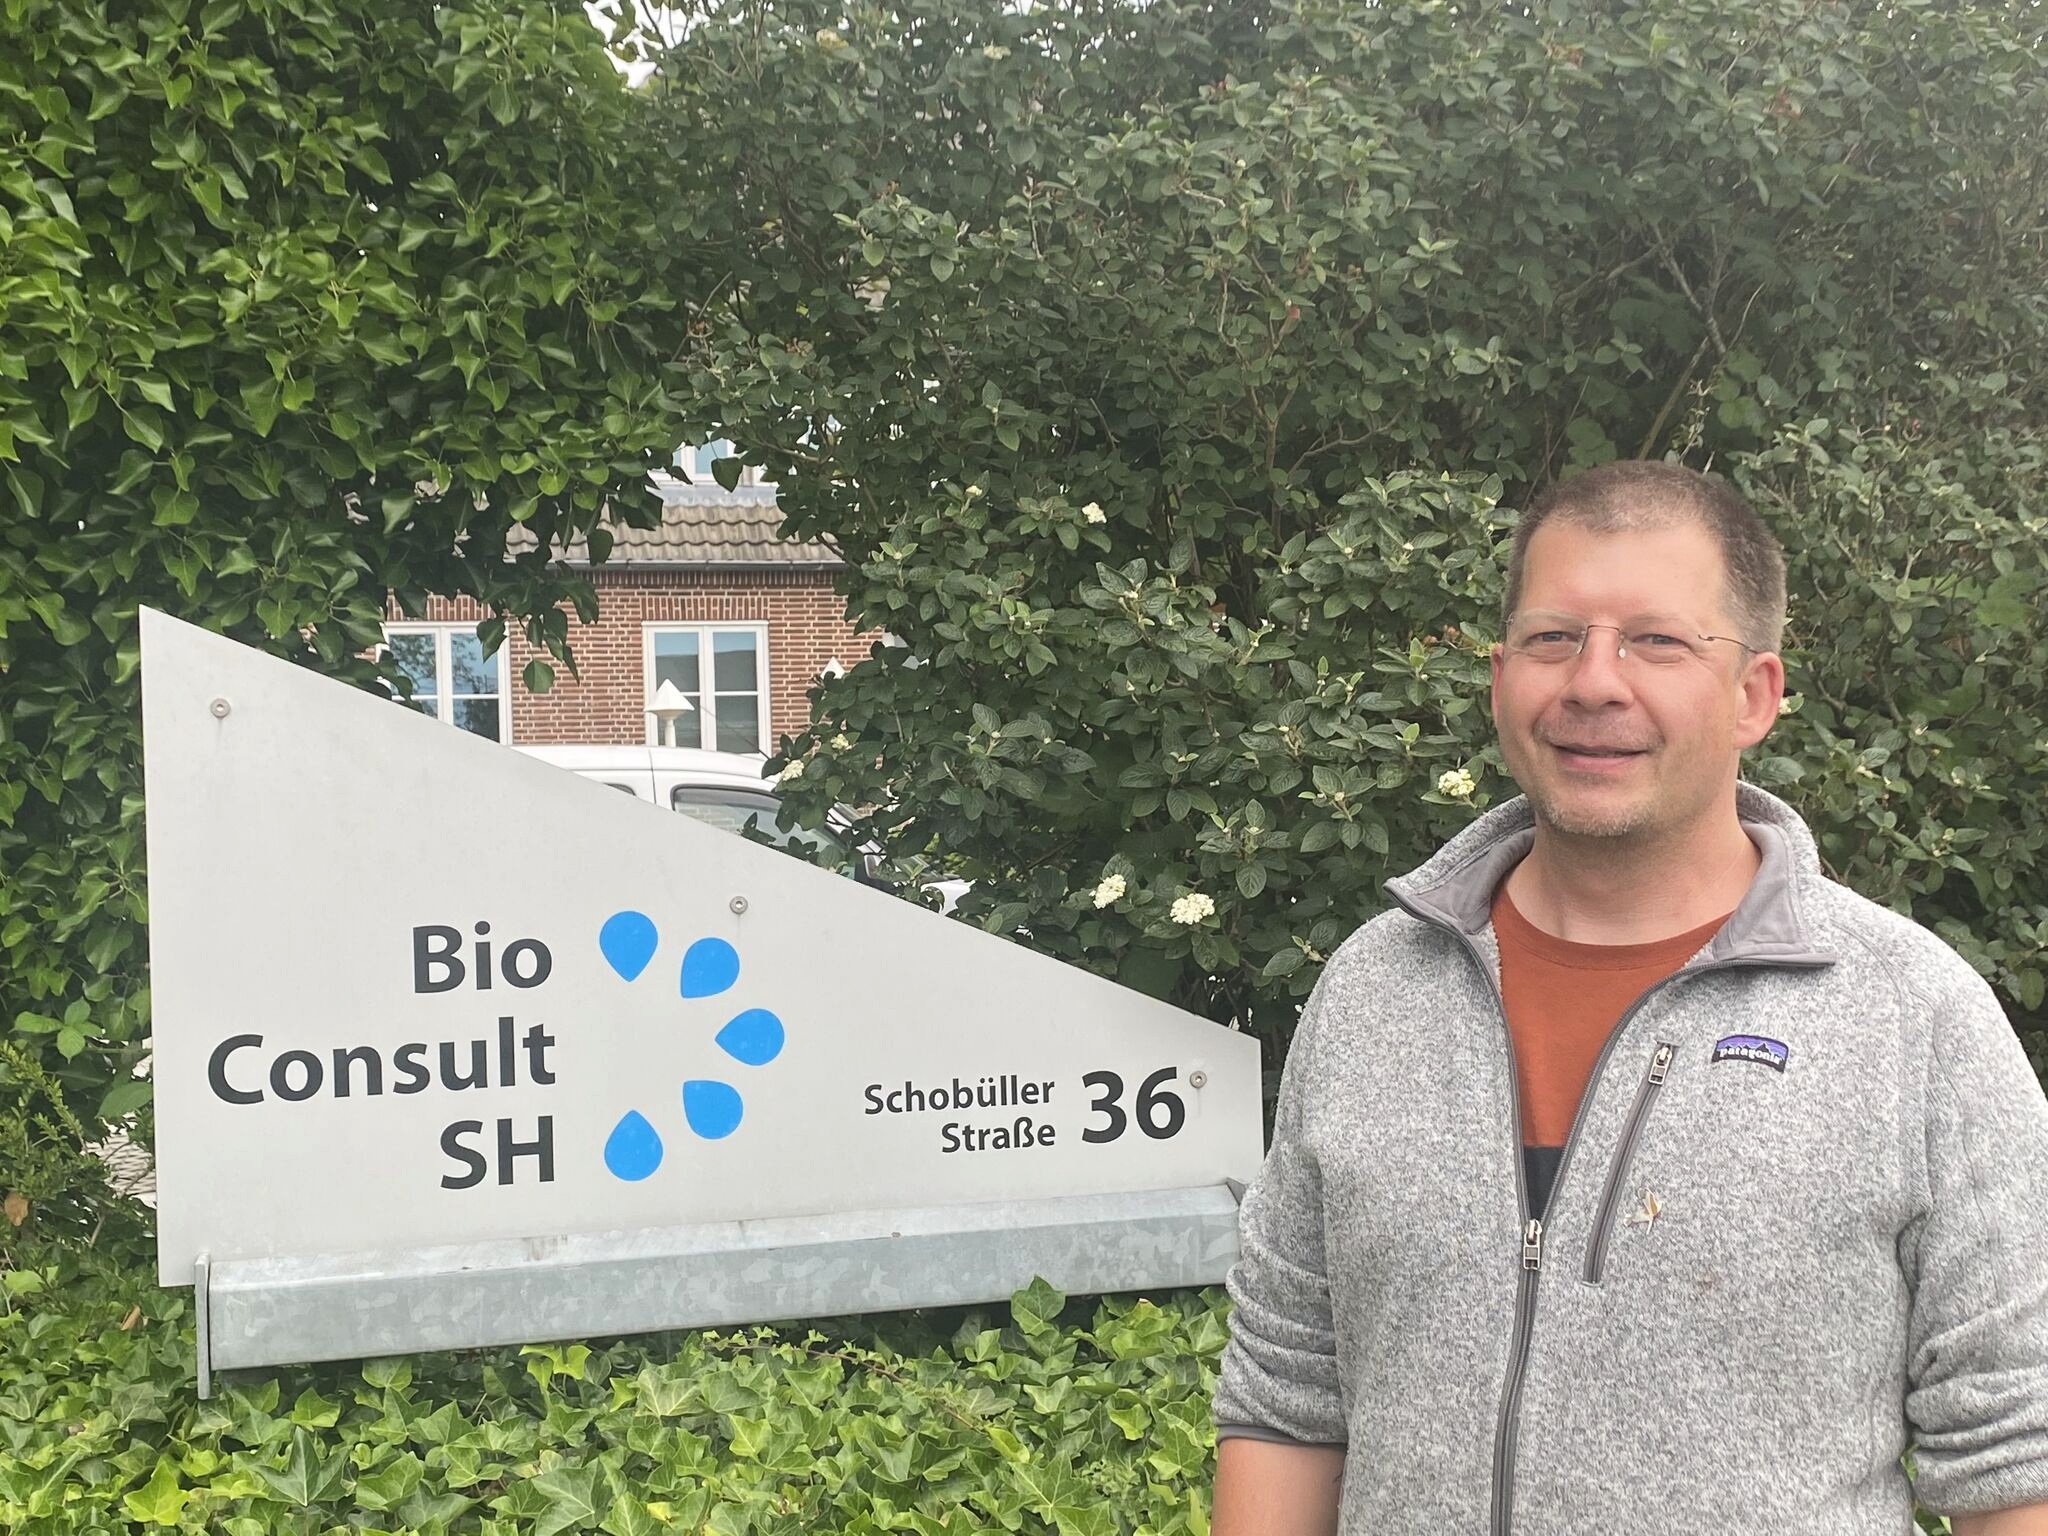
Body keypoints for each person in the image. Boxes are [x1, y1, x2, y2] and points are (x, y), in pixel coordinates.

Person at [1209, 461, 2048, 1535]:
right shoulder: (1374, 991)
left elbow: (2014, 1451)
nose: (1592, 682)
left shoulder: (1912, 1017)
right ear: (1500, 675)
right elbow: (1287, 1393)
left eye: (1655, 641)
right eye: (1553, 637)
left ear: (1754, 694)